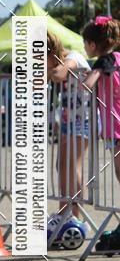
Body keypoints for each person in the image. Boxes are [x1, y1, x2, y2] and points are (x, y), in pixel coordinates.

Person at [46, 32, 90, 243]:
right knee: (61, 165)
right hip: (68, 120)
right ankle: (64, 212)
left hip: (85, 119)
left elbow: (60, 74)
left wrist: (49, 69)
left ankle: (76, 215)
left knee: (74, 165)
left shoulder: (75, 57)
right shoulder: (55, 62)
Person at [82, 16, 120, 251]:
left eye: (85, 43)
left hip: (116, 128)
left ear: (93, 45)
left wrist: (85, 77)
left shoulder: (103, 61)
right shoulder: (118, 58)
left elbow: (88, 84)